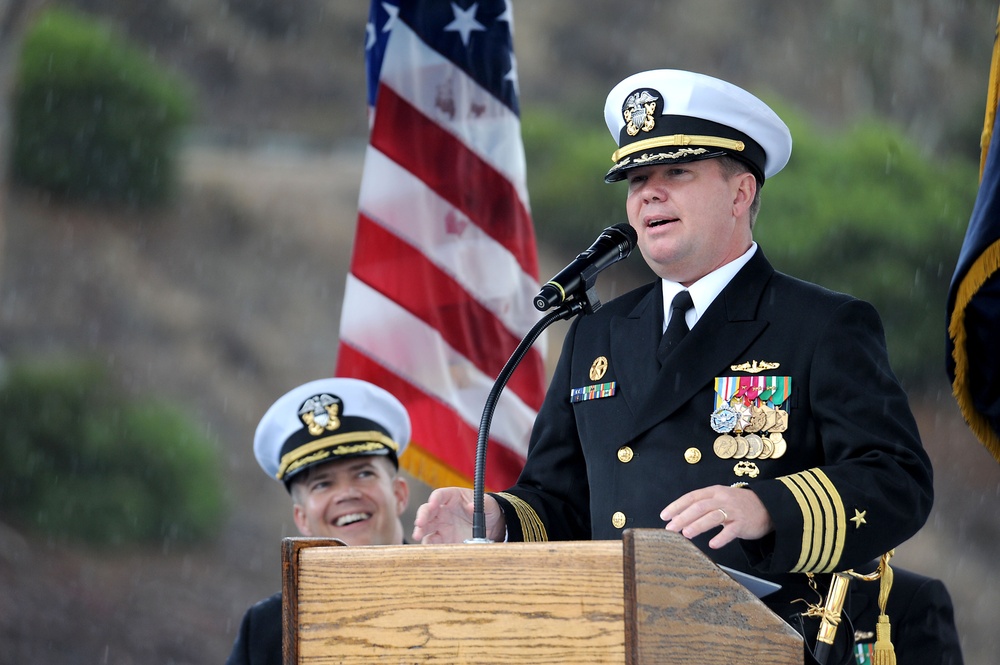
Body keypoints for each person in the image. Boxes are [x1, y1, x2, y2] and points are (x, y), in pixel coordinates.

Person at [412, 69, 957, 662]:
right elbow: (563, 501)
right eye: (636, 179)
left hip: (761, 643)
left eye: (675, 172)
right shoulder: (595, 335)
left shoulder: (821, 325)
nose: (649, 193)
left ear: (740, 192)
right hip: (615, 643)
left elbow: (897, 479)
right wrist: (498, 519)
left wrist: (766, 507)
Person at [226, 377, 411, 665]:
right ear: (302, 518)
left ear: (399, 494)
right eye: (322, 484)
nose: (346, 494)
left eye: (363, 474)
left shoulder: (466, 595)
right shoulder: (266, 629)